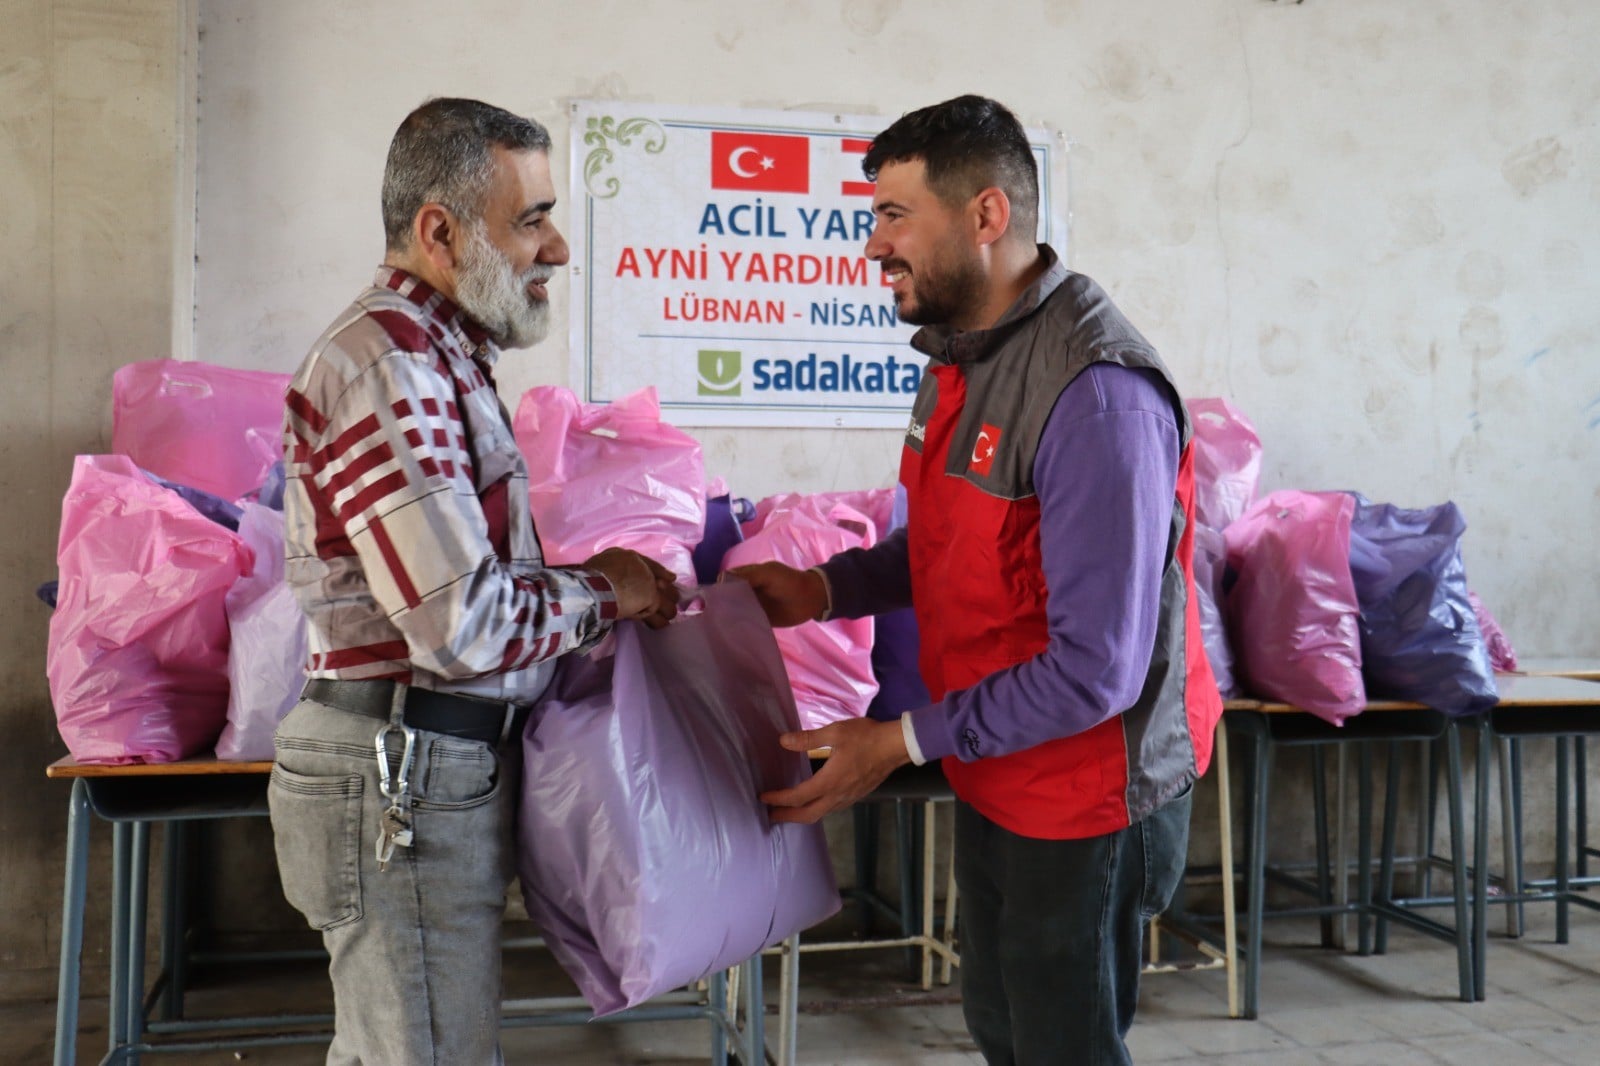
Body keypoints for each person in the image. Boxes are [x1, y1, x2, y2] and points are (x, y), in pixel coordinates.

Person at [730, 95, 1222, 1066]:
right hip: (994, 760)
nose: (874, 245)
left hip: (1086, 790)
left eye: (894, 215)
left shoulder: (1097, 396)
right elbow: (951, 546)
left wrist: (894, 743)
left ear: (986, 215)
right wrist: (821, 591)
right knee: (1001, 1026)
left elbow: (1096, 670)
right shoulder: (960, 357)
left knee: (1061, 1045)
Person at [269, 97, 680, 1065]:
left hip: (417, 764)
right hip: (401, 769)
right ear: (440, 232)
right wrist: (607, 592)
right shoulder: (392, 367)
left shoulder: (436, 356)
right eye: (531, 220)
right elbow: (461, 624)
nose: (557, 249)